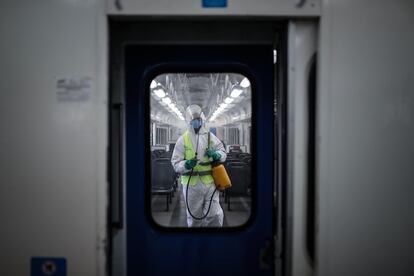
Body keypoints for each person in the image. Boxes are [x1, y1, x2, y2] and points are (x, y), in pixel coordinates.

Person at [171, 104, 227, 227]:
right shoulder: (183, 139)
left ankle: (213, 242)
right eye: (194, 120)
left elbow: (223, 152)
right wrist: (186, 164)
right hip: (191, 185)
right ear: (189, 122)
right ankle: (196, 242)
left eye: (199, 119)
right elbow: (175, 163)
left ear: (202, 120)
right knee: (194, 218)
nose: (197, 122)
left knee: (215, 215)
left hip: (210, 182)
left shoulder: (209, 136)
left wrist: (216, 154)